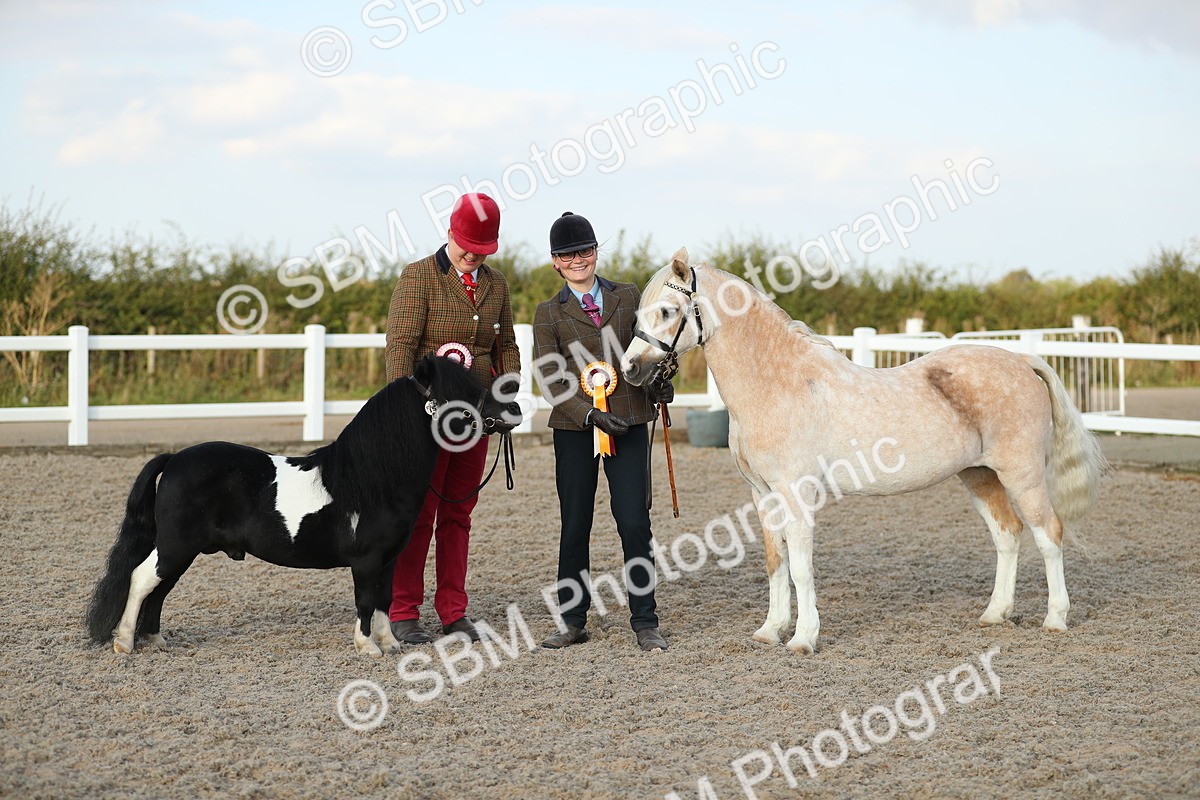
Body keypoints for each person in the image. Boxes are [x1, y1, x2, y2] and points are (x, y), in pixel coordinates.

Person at [532, 212, 674, 652]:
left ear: (596, 251)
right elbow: (550, 377)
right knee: (575, 524)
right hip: (576, 429)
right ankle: (572, 621)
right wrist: (590, 415)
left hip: (630, 421)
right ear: (556, 262)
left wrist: (663, 381)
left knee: (634, 522)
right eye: (569, 255)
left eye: (586, 251)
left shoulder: (629, 295)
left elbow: (651, 345)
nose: (579, 260)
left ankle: (645, 620)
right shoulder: (548, 313)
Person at [384, 192, 521, 644]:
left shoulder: (497, 285)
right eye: (466, 246)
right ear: (449, 232)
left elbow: (507, 347)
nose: (471, 256)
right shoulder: (418, 277)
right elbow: (401, 346)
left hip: (475, 415)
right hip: (426, 416)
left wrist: (507, 392)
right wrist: (403, 408)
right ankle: (403, 609)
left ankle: (452, 611)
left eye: (481, 251)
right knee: (420, 513)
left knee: (459, 513)